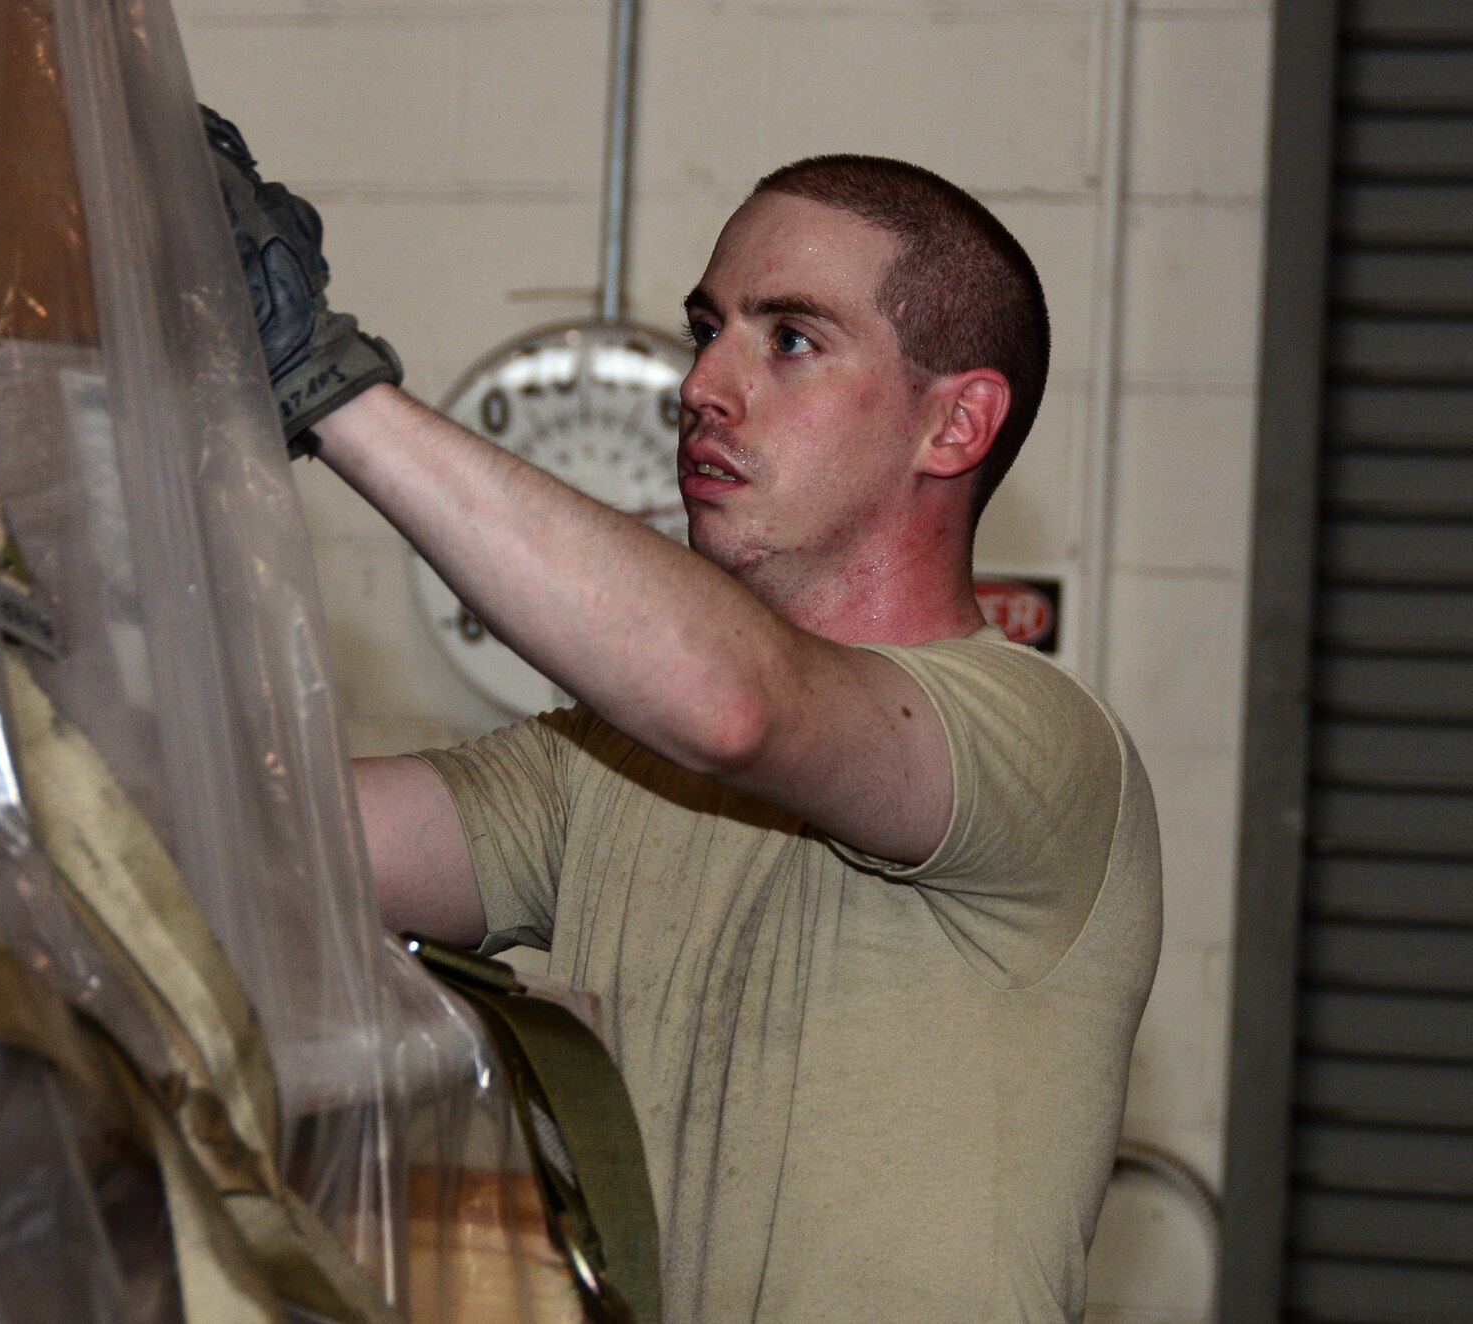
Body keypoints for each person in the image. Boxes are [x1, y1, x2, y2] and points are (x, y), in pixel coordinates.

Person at [208, 110, 1162, 1324]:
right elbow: (254, 833)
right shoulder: (607, 770)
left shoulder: (1043, 748)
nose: (702, 386)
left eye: (792, 339)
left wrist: (323, 382)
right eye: (707, 331)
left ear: (953, 424)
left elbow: (737, 706)